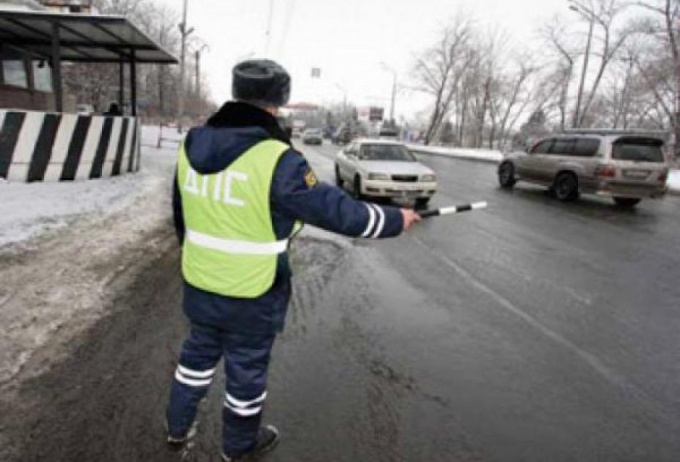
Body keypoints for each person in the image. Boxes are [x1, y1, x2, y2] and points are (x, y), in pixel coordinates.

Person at [165, 59, 421, 461]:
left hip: (200, 281)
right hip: (254, 289)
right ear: (278, 103)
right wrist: (394, 219)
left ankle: (176, 429)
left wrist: (199, 257)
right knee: (245, 376)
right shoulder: (276, 159)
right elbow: (340, 212)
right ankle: (238, 447)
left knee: (194, 360)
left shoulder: (191, 144)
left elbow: (181, 215)